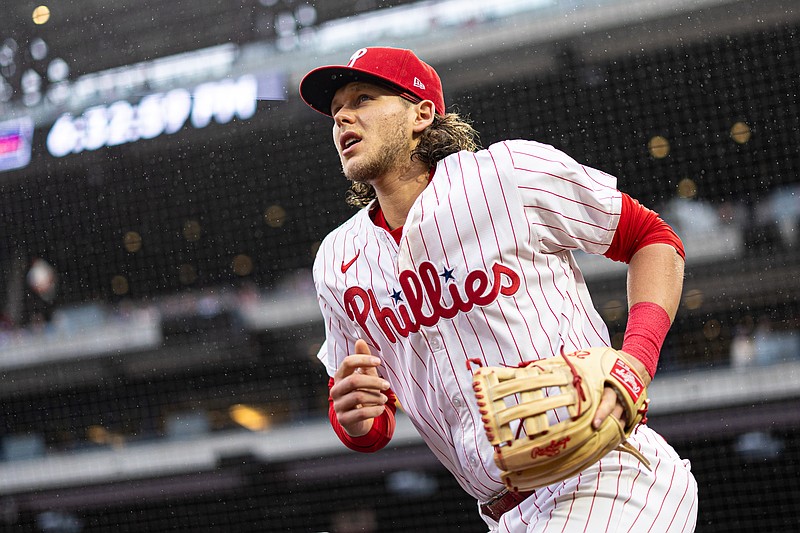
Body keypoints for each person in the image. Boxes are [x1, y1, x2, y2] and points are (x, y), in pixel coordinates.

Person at [299, 46, 698, 532]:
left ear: (422, 113)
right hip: (502, 513)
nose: (342, 116)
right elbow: (368, 416)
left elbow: (652, 238)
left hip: (605, 475)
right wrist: (354, 418)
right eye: (336, 110)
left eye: (363, 98)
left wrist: (636, 360)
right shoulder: (338, 260)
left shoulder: (506, 175)